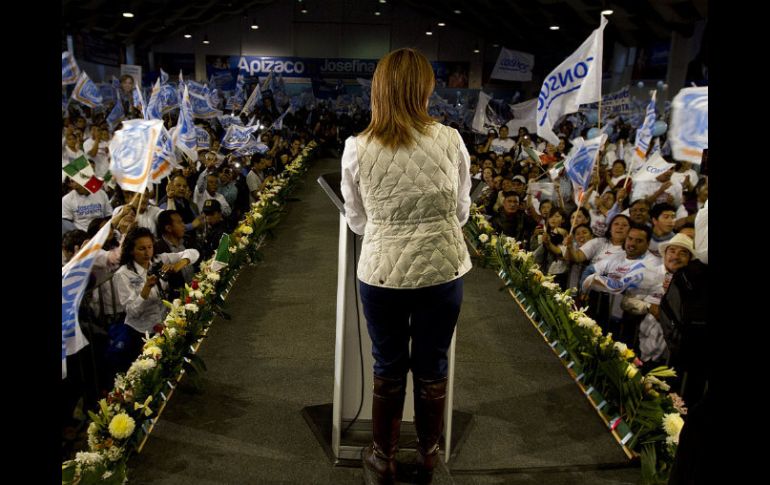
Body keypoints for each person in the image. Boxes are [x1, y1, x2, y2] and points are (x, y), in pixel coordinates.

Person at [340, 48, 471, 485]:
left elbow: (356, 219)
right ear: (425, 88)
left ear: (379, 90)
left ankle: (383, 457)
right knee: (433, 362)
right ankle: (430, 455)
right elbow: (462, 210)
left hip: (382, 273)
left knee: (388, 364)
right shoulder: (452, 140)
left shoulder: (356, 147)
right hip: (443, 269)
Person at [112, 227, 199, 372]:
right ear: (131, 250)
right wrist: (146, 289)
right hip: (141, 331)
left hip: (163, 322)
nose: (147, 252)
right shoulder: (123, 274)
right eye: (141, 249)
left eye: (150, 247)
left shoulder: (158, 260)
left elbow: (193, 252)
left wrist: (179, 265)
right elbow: (132, 311)